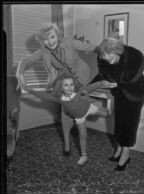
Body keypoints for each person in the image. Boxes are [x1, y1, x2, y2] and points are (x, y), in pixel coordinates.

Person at [16, 22, 100, 156]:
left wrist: (110, 50)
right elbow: (24, 62)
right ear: (42, 41)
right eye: (45, 39)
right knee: (65, 112)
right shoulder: (43, 52)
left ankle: (83, 140)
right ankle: (67, 145)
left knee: (81, 106)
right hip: (64, 82)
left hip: (82, 78)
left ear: (58, 35)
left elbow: (92, 48)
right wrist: (20, 76)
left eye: (52, 37)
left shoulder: (69, 42)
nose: (49, 42)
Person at [26, 73, 113, 165]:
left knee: (106, 114)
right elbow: (45, 96)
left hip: (88, 108)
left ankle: (105, 110)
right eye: (66, 85)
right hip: (79, 117)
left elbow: (90, 87)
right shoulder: (60, 98)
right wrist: (31, 91)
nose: (69, 87)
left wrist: (102, 82)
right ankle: (84, 156)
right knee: (83, 135)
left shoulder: (78, 91)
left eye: (71, 84)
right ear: (61, 87)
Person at [91, 37, 144, 171]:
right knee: (120, 121)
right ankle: (118, 149)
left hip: (136, 93)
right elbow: (101, 76)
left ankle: (126, 154)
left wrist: (114, 83)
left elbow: (129, 78)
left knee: (129, 123)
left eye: (108, 54)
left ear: (117, 50)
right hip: (121, 92)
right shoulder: (105, 61)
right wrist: (88, 87)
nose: (105, 57)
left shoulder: (133, 58)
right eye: (103, 55)